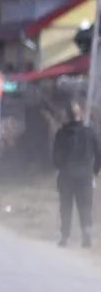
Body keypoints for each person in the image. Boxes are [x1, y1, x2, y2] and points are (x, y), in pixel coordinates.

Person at [52, 101, 101, 248]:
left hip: (66, 174)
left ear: (67, 116)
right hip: (85, 176)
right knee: (85, 206)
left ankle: (65, 237)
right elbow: (99, 153)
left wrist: (59, 167)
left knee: (66, 206)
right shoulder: (90, 132)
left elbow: (55, 155)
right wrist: (95, 171)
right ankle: (86, 236)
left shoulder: (61, 133)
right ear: (80, 114)